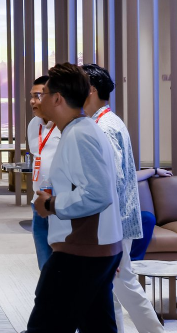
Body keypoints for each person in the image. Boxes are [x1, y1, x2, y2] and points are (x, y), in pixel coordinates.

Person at [26, 63, 123, 333]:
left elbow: (97, 193)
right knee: (98, 326)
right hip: (93, 249)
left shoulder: (80, 134)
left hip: (81, 251)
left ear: (57, 98)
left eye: (43, 94)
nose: (37, 100)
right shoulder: (81, 129)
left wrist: (50, 204)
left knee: (45, 325)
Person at [82, 63, 166, 333]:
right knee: (112, 288)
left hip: (113, 223)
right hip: (115, 221)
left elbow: (112, 180)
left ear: (91, 90)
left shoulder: (104, 127)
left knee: (124, 283)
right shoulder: (106, 122)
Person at [26, 76, 62, 271]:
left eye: (38, 96)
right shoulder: (34, 125)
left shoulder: (66, 126)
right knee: (44, 263)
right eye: (31, 96)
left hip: (60, 204)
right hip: (38, 201)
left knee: (61, 263)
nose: (33, 101)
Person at [131, 167, 172, 261]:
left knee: (148, 218)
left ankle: (134, 262)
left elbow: (133, 176)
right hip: (108, 216)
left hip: (126, 215)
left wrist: (155, 170)